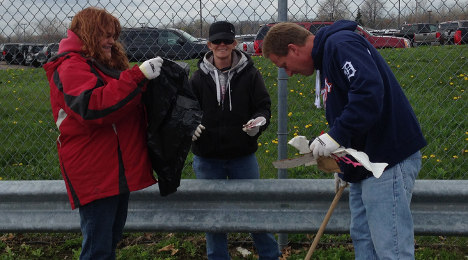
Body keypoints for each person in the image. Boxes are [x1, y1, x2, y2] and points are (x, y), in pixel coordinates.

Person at [262, 21, 427, 259]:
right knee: (364, 240)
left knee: (391, 249)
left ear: (293, 49)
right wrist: (345, 165)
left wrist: (335, 136)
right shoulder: (326, 59)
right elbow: (350, 108)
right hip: (364, 165)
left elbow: (369, 91)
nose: (288, 73)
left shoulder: (340, 45)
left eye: (284, 65)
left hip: (385, 159)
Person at [43, 7, 163, 260]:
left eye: (113, 35)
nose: (111, 41)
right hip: (95, 169)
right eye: (105, 35)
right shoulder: (71, 66)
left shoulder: (101, 63)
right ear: (88, 34)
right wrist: (136, 76)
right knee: (98, 247)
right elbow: (94, 106)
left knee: (109, 240)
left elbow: (128, 105)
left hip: (115, 167)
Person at [189, 21, 281, 260]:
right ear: (209, 44)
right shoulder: (197, 78)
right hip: (207, 158)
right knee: (214, 215)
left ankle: (270, 255)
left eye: (227, 41)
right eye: (217, 41)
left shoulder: (250, 74)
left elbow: (263, 106)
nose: (222, 45)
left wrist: (258, 123)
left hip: (242, 156)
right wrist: (189, 126)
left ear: (235, 44)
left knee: (254, 209)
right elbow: (185, 110)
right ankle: (217, 257)